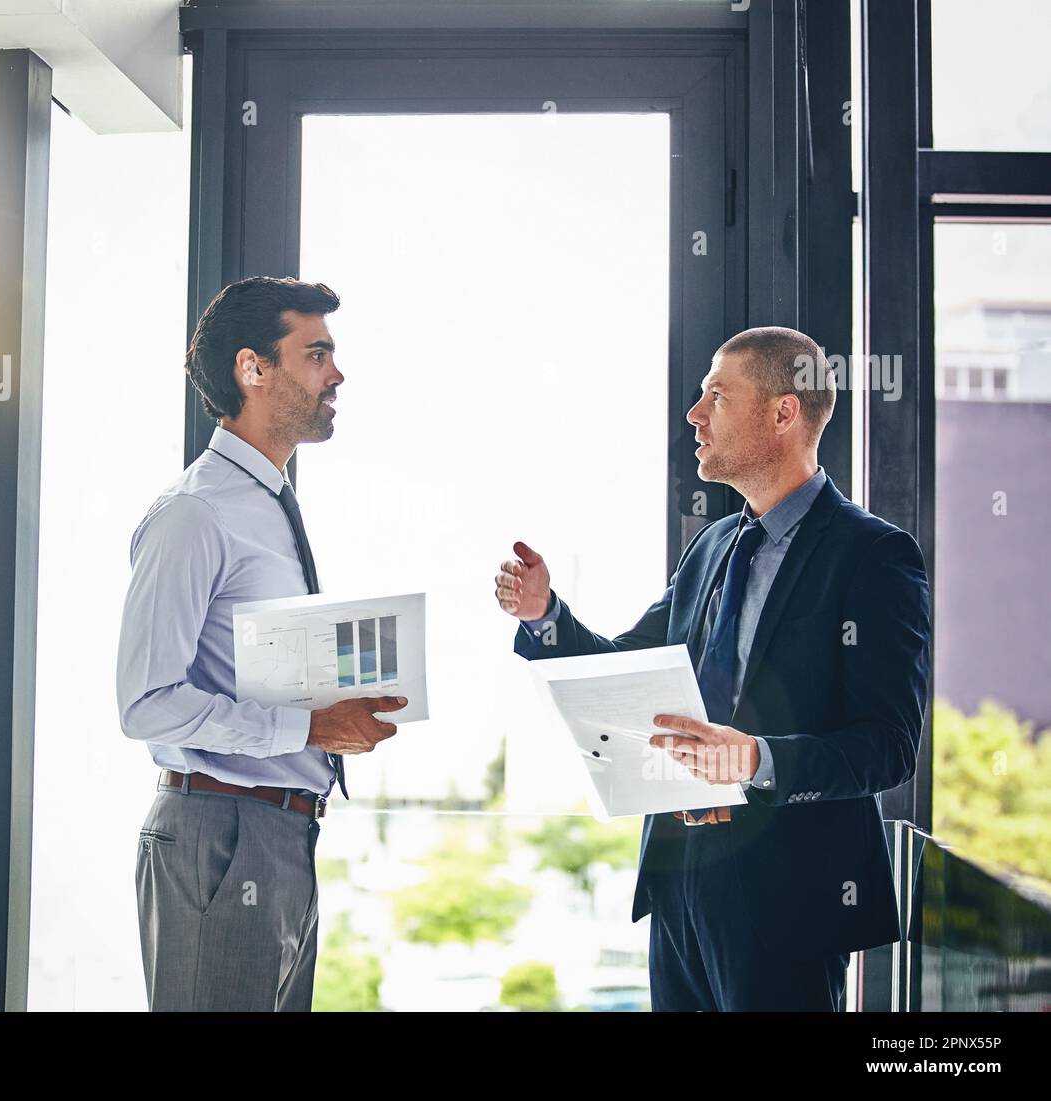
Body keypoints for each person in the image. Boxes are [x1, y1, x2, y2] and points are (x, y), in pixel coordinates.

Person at [496, 326, 930, 1011]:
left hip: (788, 900)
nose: (695, 415)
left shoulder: (873, 556)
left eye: (716, 396)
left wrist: (754, 757)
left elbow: (888, 746)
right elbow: (624, 667)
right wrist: (545, 613)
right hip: (680, 884)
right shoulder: (713, 547)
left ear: (783, 413)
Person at [118, 276, 406, 1011]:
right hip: (221, 834)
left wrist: (334, 704)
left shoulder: (269, 503)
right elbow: (146, 704)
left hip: (282, 836)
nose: (336, 374)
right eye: (316, 355)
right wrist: (310, 726)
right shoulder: (195, 513)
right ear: (253, 368)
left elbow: (250, 673)